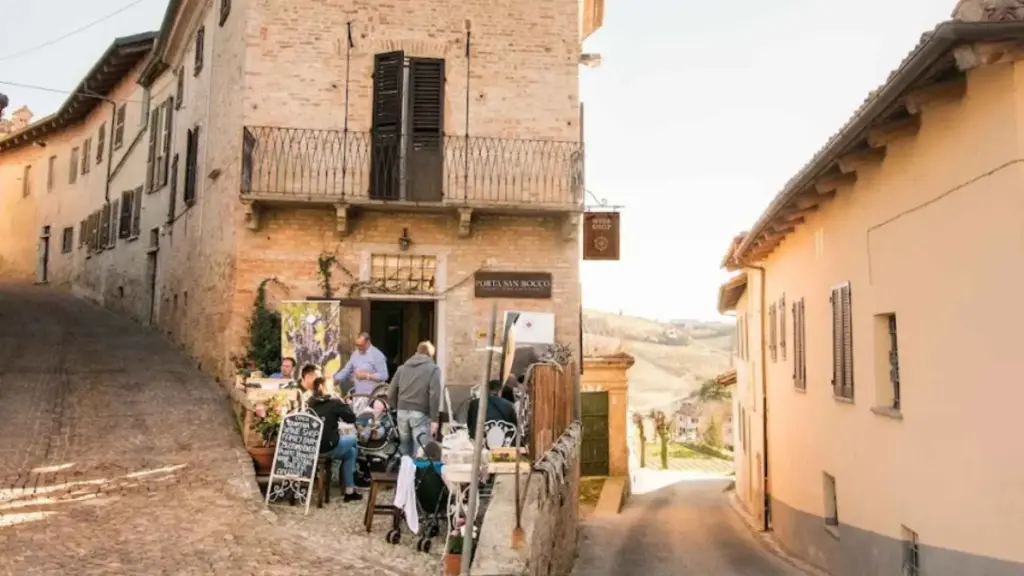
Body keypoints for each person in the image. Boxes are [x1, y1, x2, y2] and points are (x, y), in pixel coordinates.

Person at [301, 368, 363, 502]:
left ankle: (350, 489)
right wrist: (341, 401)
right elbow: (351, 418)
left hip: (311, 447)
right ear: (323, 387)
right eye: (331, 386)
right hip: (328, 447)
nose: (333, 389)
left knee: (351, 452)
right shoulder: (334, 403)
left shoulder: (309, 403)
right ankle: (353, 478)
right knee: (354, 440)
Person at [387, 341, 442, 457]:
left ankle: (405, 474)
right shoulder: (433, 369)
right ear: (430, 355)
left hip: (402, 412)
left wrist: (395, 407)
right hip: (420, 413)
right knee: (420, 452)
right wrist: (434, 419)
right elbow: (434, 395)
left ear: (417, 352)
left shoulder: (402, 368)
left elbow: (391, 392)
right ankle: (417, 474)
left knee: (405, 451)